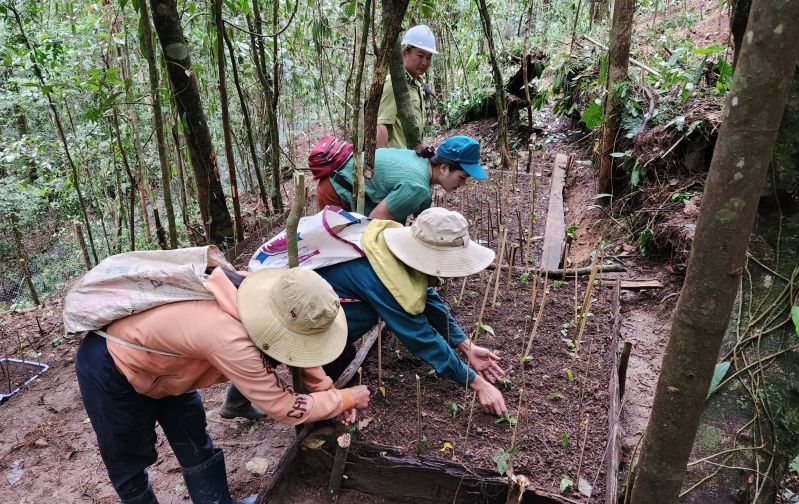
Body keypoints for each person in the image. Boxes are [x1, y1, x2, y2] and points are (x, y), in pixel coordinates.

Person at [75, 267, 371, 504]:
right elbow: (284, 408)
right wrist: (345, 397)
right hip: (111, 366)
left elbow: (297, 345)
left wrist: (330, 394)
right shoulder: (231, 339)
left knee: (191, 434)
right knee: (126, 456)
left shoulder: (265, 293)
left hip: (170, 365)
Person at [228, 207, 508, 418]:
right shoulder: (383, 279)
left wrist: (466, 346)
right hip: (302, 313)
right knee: (287, 350)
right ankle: (316, 409)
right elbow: (422, 339)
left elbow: (427, 296)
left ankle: (248, 400)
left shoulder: (390, 249)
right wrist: (477, 384)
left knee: (334, 354)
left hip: (326, 306)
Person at [315, 135, 487, 222]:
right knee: (345, 251)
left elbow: (422, 220)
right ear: (443, 168)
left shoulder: (422, 160)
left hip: (337, 182)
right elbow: (376, 221)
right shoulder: (418, 187)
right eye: (462, 177)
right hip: (335, 191)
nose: (462, 184)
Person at [377, 24, 437, 149]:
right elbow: (382, 126)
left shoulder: (416, 84)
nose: (425, 62)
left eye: (429, 57)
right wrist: (380, 165)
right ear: (404, 54)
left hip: (411, 159)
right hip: (396, 163)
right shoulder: (393, 84)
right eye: (420, 56)